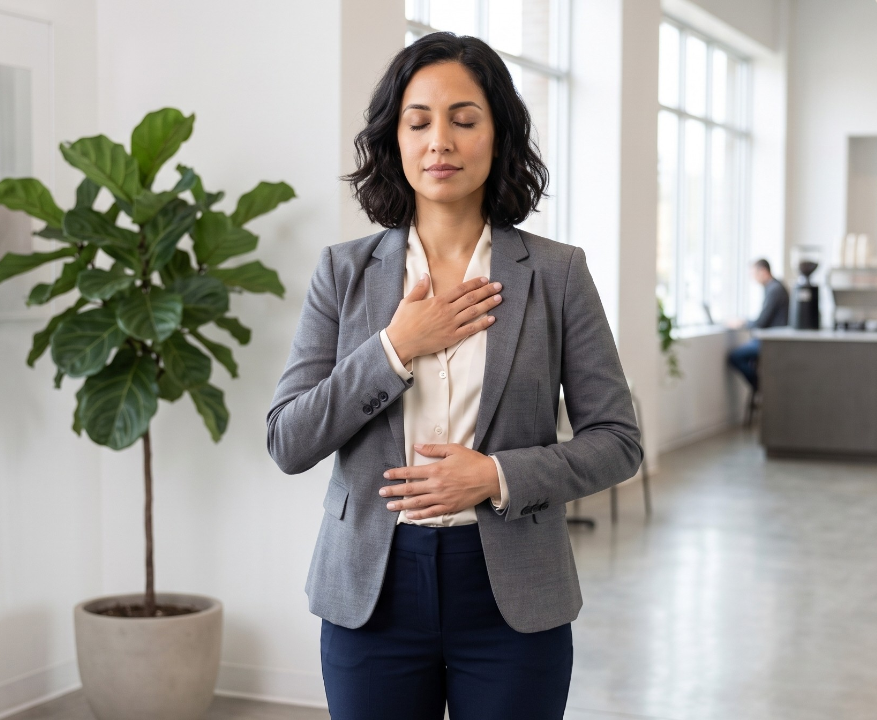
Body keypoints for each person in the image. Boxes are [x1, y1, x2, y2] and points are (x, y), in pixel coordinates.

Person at [266, 33, 642, 720]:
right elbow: (288, 440)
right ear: (395, 140)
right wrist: (393, 348)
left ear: (498, 137)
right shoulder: (342, 273)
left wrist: (495, 476)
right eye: (419, 122)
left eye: (464, 120)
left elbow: (617, 439)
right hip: (370, 591)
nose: (440, 140)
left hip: (511, 593)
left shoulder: (557, 274)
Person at [726, 258, 789, 392]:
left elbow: (761, 323)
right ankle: (763, 388)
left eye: (753, 274)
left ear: (763, 271)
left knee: (735, 357)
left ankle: (762, 388)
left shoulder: (774, 290)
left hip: (771, 342)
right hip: (769, 339)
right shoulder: (773, 287)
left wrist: (742, 322)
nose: (753, 278)